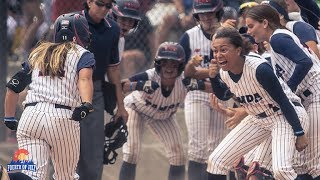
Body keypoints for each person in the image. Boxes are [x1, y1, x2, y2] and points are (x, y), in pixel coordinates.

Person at [206, 26, 309, 180]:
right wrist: (213, 77)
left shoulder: (259, 69)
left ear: (238, 50)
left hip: (285, 116)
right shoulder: (224, 72)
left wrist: (299, 133)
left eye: (223, 50)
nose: (218, 55)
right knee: (216, 161)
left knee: (281, 170)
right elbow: (223, 95)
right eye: (215, 50)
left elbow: (284, 101)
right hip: (258, 119)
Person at [3, 13, 95, 180]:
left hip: (30, 117)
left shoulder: (39, 52)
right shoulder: (82, 53)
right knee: (65, 176)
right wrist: (86, 103)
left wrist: (9, 117)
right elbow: (84, 78)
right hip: (62, 118)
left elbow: (13, 87)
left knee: (31, 175)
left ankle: (5, 175)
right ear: (79, 33)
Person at [118, 42, 213, 180]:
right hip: (136, 109)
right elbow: (122, 85)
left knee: (178, 156)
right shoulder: (149, 76)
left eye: (174, 64)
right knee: (131, 152)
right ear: (158, 64)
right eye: (165, 63)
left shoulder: (184, 81)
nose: (169, 67)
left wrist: (225, 84)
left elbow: (210, 88)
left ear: (180, 66)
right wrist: (139, 85)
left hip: (164, 116)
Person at [245, 4, 320, 179]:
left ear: (264, 23)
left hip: (316, 95)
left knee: (315, 163)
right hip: (308, 98)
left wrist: (290, 88)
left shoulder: (278, 38)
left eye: (251, 26)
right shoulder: (276, 40)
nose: (249, 31)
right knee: (301, 163)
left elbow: (305, 62)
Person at [76, 1, 128, 180]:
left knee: (93, 149)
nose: (104, 9)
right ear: (89, 2)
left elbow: (113, 69)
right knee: (64, 144)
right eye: (100, 4)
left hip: (94, 89)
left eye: (108, 6)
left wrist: (121, 106)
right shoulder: (71, 22)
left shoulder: (113, 29)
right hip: (66, 89)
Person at [179, 0, 230, 179]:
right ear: (196, 16)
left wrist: (201, 73)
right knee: (198, 148)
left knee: (218, 148)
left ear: (218, 13)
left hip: (221, 95)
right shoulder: (189, 36)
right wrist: (207, 73)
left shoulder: (229, 35)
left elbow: (233, 68)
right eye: (202, 14)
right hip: (197, 94)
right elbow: (183, 73)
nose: (206, 17)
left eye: (210, 13)